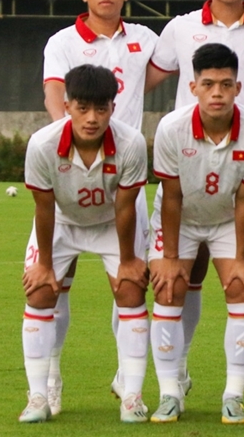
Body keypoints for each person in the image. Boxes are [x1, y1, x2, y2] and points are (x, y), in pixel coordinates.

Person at [145, 0, 244, 406]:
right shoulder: (180, 29)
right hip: (188, 166)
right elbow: (146, 78)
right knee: (182, 278)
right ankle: (176, 373)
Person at [40, 0, 157, 414]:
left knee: (128, 279)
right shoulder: (63, 41)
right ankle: (49, 377)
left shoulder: (146, 40)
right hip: (72, 170)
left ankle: (128, 381)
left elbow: (187, 67)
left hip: (125, 177)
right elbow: (54, 93)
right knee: (54, 282)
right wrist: (69, 145)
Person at [147, 43, 244, 424]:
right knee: (168, 289)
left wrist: (240, 257)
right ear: (193, 87)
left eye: (225, 84)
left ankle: (233, 394)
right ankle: (170, 392)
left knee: (242, 288)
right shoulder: (171, 128)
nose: (217, 93)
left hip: (226, 218)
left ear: (238, 87)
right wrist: (170, 259)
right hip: (180, 217)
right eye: (208, 84)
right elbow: (171, 197)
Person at [20, 65, 150, 423]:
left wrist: (127, 261)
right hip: (62, 221)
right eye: (82, 108)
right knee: (41, 293)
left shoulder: (131, 143)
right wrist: (45, 264)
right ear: (66, 105)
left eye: (101, 109)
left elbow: (126, 207)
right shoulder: (43, 144)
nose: (92, 119)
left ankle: (132, 397)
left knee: (130, 290)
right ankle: (38, 396)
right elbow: (44, 208)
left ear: (113, 106)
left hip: (112, 222)